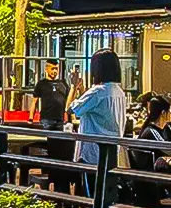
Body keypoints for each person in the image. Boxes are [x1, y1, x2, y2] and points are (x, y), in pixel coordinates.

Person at [69, 50, 128, 179]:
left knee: (90, 192)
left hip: (91, 153)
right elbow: (91, 106)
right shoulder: (119, 92)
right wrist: (83, 90)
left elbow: (71, 109)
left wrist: (73, 87)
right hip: (112, 151)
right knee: (105, 189)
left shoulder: (98, 91)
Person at [32, 60, 72, 131]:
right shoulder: (41, 84)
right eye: (52, 68)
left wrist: (69, 118)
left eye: (56, 69)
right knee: (46, 140)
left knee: (60, 140)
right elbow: (34, 101)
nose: (54, 71)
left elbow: (69, 102)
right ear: (46, 69)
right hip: (46, 119)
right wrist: (30, 118)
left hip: (60, 119)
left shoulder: (63, 84)